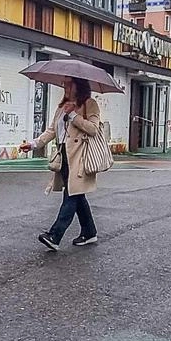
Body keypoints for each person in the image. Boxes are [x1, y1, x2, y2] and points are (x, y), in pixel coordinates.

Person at [19, 77, 101, 252]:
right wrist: (33, 144)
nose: (65, 87)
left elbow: (93, 129)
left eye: (69, 84)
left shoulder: (89, 104)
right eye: (65, 83)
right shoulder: (61, 105)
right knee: (77, 195)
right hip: (64, 156)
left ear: (79, 86)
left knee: (71, 194)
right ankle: (89, 231)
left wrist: (73, 115)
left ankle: (55, 236)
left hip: (80, 156)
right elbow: (51, 131)